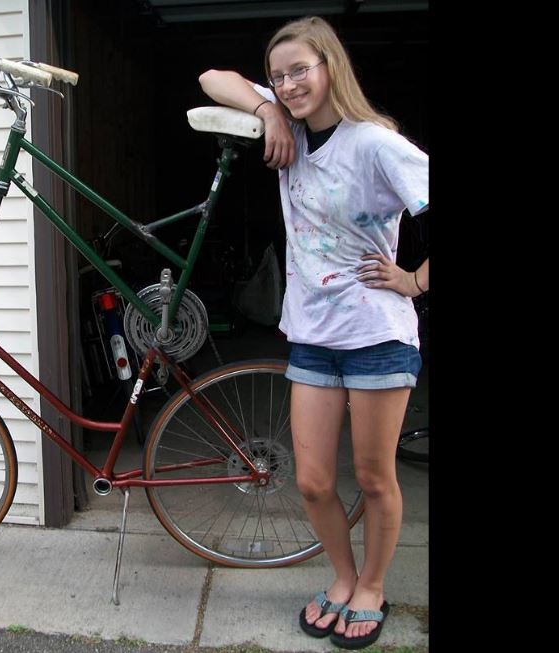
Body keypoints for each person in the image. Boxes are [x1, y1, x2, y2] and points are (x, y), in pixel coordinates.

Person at [199, 15, 428, 651]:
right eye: (278, 76)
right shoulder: (288, 122)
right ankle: (343, 577)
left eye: (300, 69)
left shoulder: (375, 143)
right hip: (312, 335)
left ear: (330, 65)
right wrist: (267, 112)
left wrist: (413, 280)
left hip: (377, 332)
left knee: (375, 478)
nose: (290, 84)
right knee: (312, 480)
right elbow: (212, 78)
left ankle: (373, 588)